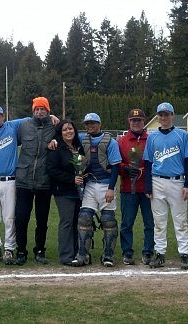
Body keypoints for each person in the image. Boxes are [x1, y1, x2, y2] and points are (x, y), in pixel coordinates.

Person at [142, 102, 188, 269]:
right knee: (159, 221)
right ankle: (160, 253)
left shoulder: (182, 135)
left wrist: (187, 184)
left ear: (172, 115)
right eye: (161, 115)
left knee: (180, 220)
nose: (164, 117)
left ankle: (184, 254)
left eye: (166, 114)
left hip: (177, 181)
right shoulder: (152, 137)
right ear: (158, 117)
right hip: (157, 180)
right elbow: (148, 162)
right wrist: (148, 186)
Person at [73, 113, 122, 267]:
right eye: (87, 124)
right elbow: (67, 137)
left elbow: (115, 166)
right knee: (84, 218)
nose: (90, 126)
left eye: (93, 123)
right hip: (90, 185)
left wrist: (111, 188)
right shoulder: (82, 139)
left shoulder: (110, 142)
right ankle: (83, 254)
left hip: (106, 184)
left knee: (108, 220)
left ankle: (108, 255)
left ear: (99, 123)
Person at [14, 96, 56, 265]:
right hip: (24, 180)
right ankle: (21, 251)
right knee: (21, 218)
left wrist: (55, 139)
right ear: (33, 110)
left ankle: (40, 250)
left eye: (43, 109)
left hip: (44, 181)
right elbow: (6, 134)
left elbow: (69, 135)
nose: (40, 112)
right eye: (37, 109)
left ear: (48, 111)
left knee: (42, 219)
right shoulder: (23, 126)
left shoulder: (54, 127)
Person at [0, 105, 26, 265]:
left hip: (10, 180)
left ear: (3, 116)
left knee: (9, 217)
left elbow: (32, 119)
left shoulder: (12, 126)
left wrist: (52, 117)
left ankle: (9, 249)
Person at [117, 108, 155, 266]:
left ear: (144, 121)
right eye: (133, 120)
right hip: (128, 188)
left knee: (150, 223)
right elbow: (115, 163)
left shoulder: (151, 139)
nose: (136, 123)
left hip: (148, 189)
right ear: (129, 121)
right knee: (127, 223)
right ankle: (127, 252)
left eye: (139, 120)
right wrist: (125, 168)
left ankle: (148, 252)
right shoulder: (122, 141)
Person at [46, 119, 83, 265]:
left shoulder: (78, 147)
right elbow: (52, 170)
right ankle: (66, 256)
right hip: (63, 192)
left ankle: (78, 252)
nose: (68, 131)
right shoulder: (56, 148)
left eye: (71, 128)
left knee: (77, 222)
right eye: (65, 129)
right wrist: (71, 179)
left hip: (79, 191)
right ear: (60, 133)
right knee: (67, 222)